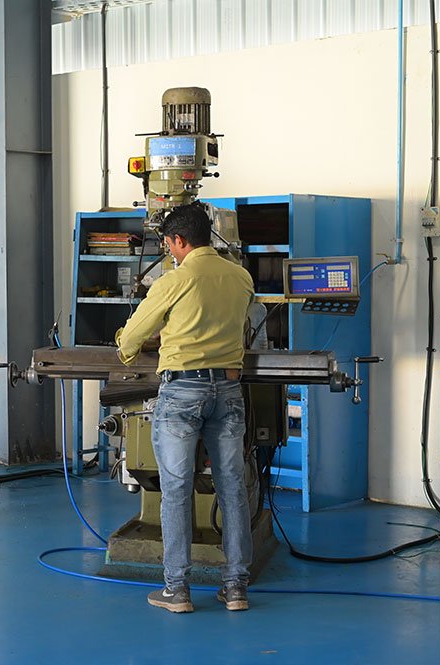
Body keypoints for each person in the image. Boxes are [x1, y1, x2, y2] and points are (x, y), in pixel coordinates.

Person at [115, 203, 255, 613]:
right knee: (233, 487)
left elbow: (133, 336)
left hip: (182, 393)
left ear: (178, 241)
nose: (168, 251)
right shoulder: (240, 276)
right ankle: (236, 587)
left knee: (176, 489)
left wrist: (126, 347)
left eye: (168, 245)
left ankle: (177, 589)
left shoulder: (174, 280)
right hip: (228, 391)